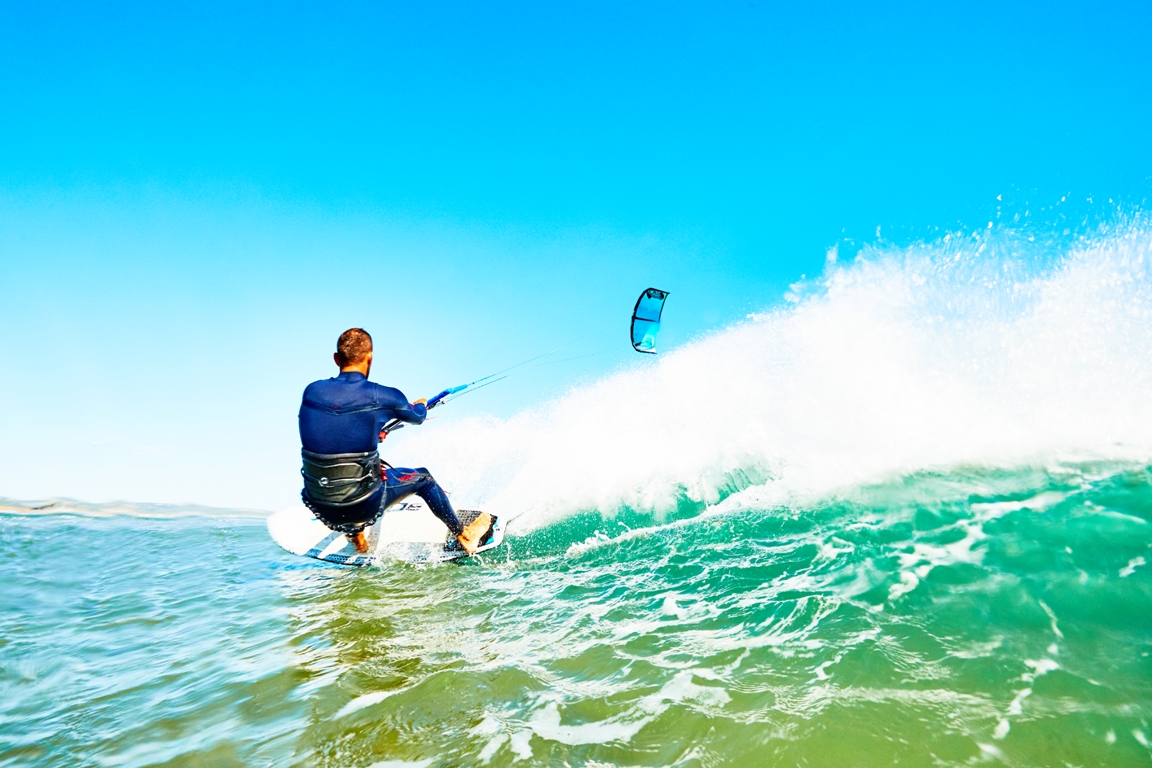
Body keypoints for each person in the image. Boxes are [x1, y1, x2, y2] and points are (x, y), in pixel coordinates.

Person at [297, 328, 492, 554]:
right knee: (424, 478)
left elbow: (337, 433)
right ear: (370, 357)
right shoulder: (384, 396)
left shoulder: (311, 392)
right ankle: (465, 535)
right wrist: (419, 404)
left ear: (336, 359)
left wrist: (373, 431)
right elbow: (417, 416)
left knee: (348, 477)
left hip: (319, 503)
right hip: (364, 505)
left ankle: (357, 537)